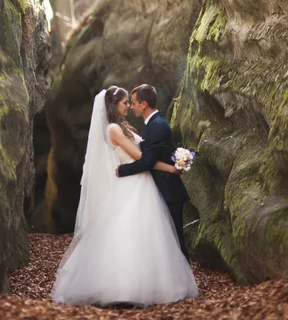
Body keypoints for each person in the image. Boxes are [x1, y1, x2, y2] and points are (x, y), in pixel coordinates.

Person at [51, 86, 198, 307]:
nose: (128, 105)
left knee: (148, 235)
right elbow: (142, 157)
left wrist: (175, 163)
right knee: (130, 233)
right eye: (125, 102)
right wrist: (170, 169)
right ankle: (123, 286)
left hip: (142, 182)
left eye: (130, 102)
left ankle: (149, 282)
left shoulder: (123, 127)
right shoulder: (113, 129)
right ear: (113, 105)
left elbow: (146, 156)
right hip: (134, 183)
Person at [116, 84, 190, 261]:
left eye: (133, 103)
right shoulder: (152, 124)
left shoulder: (156, 125)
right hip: (162, 188)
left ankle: (185, 282)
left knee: (175, 239)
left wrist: (122, 170)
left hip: (168, 190)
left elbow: (147, 161)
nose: (131, 106)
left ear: (144, 104)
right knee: (166, 240)